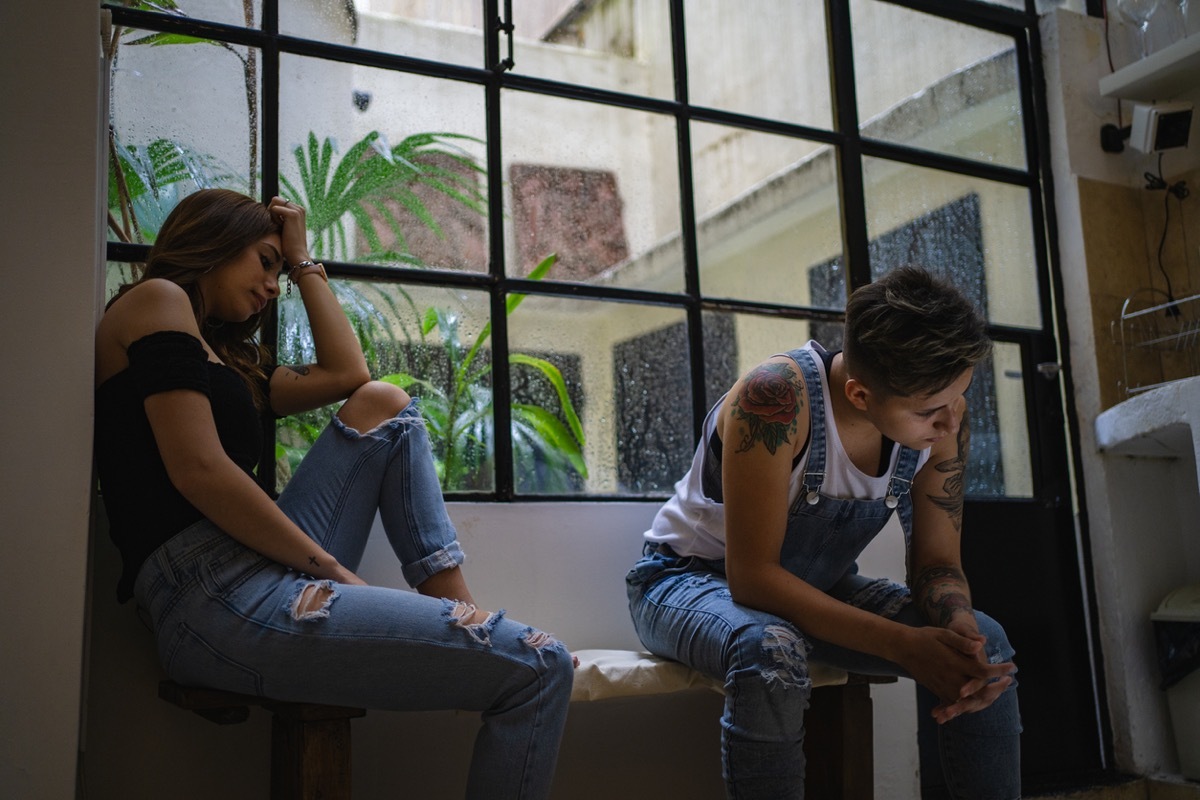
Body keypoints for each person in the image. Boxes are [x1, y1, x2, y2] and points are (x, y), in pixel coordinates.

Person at [94, 188, 574, 800]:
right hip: (209, 592)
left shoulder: (228, 361)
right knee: (542, 665)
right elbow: (200, 472)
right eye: (263, 262)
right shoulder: (155, 299)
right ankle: (469, 629)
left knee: (385, 406)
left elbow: (352, 377)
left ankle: (458, 608)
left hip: (251, 572)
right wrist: (332, 570)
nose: (273, 286)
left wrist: (301, 259)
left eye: (278, 270)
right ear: (212, 243)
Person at [626, 266, 1021, 799]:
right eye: (929, 411)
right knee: (771, 648)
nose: (950, 424)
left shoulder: (944, 414)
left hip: (816, 586)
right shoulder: (774, 399)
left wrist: (959, 635)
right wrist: (907, 646)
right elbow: (753, 580)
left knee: (988, 645)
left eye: (958, 398)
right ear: (860, 395)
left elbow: (937, 565)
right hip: (685, 583)